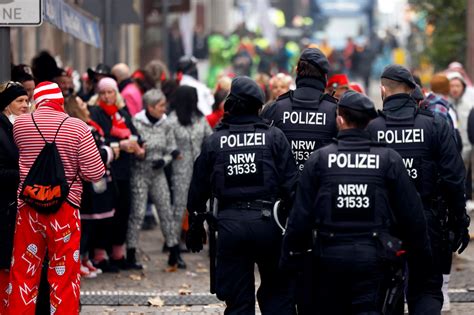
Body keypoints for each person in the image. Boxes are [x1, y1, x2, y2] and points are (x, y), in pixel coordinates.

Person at [281, 90, 433, 314]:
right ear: (369, 122)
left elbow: (300, 216)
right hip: (373, 258)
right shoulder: (389, 159)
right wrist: (422, 257)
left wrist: (289, 258)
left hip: (329, 257)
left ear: (340, 119)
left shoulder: (319, 159)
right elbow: (412, 214)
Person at [186, 76, 298, 314]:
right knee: (277, 295)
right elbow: (291, 185)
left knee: (238, 302)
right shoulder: (274, 136)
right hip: (269, 225)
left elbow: (198, 187)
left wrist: (196, 222)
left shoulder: (215, 141)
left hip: (230, 226)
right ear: (259, 107)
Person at [366, 65, 470, 313]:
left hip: (384, 227)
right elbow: (454, 178)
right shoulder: (435, 125)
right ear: (413, 91)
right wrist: (459, 222)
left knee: (385, 291)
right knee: (425, 289)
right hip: (427, 222)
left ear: (383, 89)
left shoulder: (371, 129)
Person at [6, 82, 104, 314]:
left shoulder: (20, 125)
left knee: (23, 271)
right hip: (65, 209)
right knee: (65, 274)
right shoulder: (78, 128)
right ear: (60, 101)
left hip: (28, 209)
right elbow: (95, 172)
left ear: (36, 101)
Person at [89, 77, 143, 271]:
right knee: (104, 214)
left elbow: (136, 134)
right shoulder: (95, 112)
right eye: (103, 92)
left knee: (123, 212)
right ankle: (100, 255)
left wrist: (138, 146)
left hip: (124, 171)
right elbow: (96, 139)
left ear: (116, 93)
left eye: (110, 92)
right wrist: (119, 144)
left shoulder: (122, 113)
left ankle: (118, 254)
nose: (107, 96)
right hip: (105, 171)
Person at [127, 89, 181, 271]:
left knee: (165, 210)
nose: (164, 109)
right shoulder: (136, 122)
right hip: (139, 172)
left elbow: (172, 148)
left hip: (158, 173)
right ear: (150, 107)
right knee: (138, 213)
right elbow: (131, 145)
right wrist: (139, 154)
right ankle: (131, 251)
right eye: (160, 106)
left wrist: (164, 161)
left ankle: (174, 251)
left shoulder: (166, 125)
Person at [261, 47, 338, 173]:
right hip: (320, 188)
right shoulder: (336, 111)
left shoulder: (274, 108)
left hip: (284, 189)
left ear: (297, 71)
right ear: (325, 76)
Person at [168, 86, 213, 268]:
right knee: (178, 209)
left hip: (201, 169)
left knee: (208, 206)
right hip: (180, 170)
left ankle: (211, 244)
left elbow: (210, 139)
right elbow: (168, 144)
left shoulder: (200, 119)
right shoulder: (171, 121)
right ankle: (173, 249)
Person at [0, 82, 28, 314]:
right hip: (3, 207)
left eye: (27, 100)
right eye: (19, 101)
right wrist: (26, 173)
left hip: (14, 206)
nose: (25, 105)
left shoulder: (17, 127)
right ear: (6, 104)